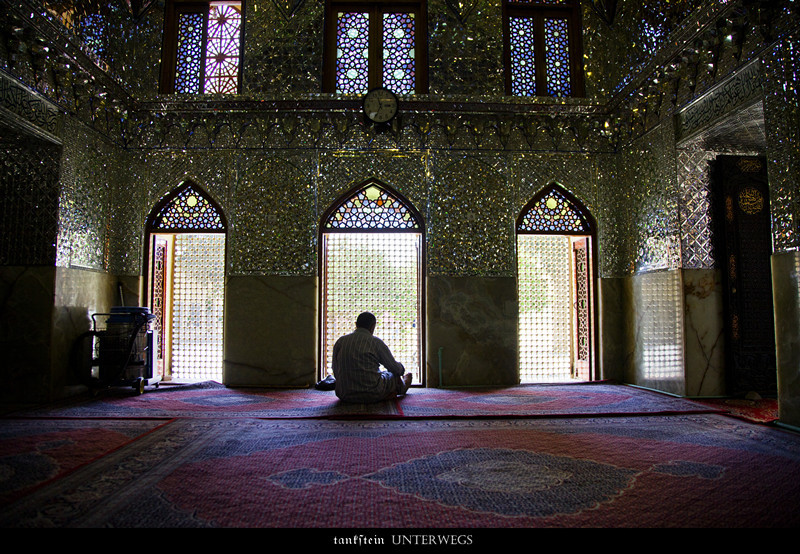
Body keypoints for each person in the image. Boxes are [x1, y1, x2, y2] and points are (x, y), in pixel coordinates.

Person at [332, 311, 412, 403]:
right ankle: (403, 385)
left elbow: (335, 368)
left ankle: (386, 395)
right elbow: (394, 368)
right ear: (373, 326)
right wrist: (401, 369)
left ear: (356, 324)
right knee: (393, 375)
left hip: (344, 394)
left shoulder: (341, 341)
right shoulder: (375, 342)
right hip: (372, 393)